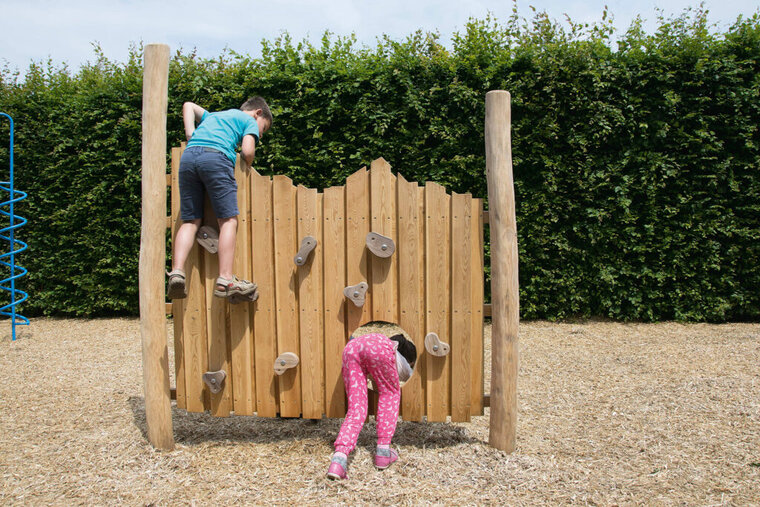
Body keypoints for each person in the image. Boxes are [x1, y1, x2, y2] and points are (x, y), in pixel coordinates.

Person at [167, 97, 272, 300]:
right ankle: (225, 279)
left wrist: (190, 133)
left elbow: (188, 105)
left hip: (188, 159)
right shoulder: (248, 120)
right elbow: (248, 151)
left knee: (190, 222)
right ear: (258, 113)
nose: (260, 133)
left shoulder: (214, 116)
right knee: (228, 221)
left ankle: (177, 272)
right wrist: (247, 161)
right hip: (216, 158)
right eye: (263, 129)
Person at [327, 332, 417, 480]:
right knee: (390, 394)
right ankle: (383, 452)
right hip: (377, 349)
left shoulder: (382, 340)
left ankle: (339, 460)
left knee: (356, 408)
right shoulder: (396, 353)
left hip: (351, 348)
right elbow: (410, 375)